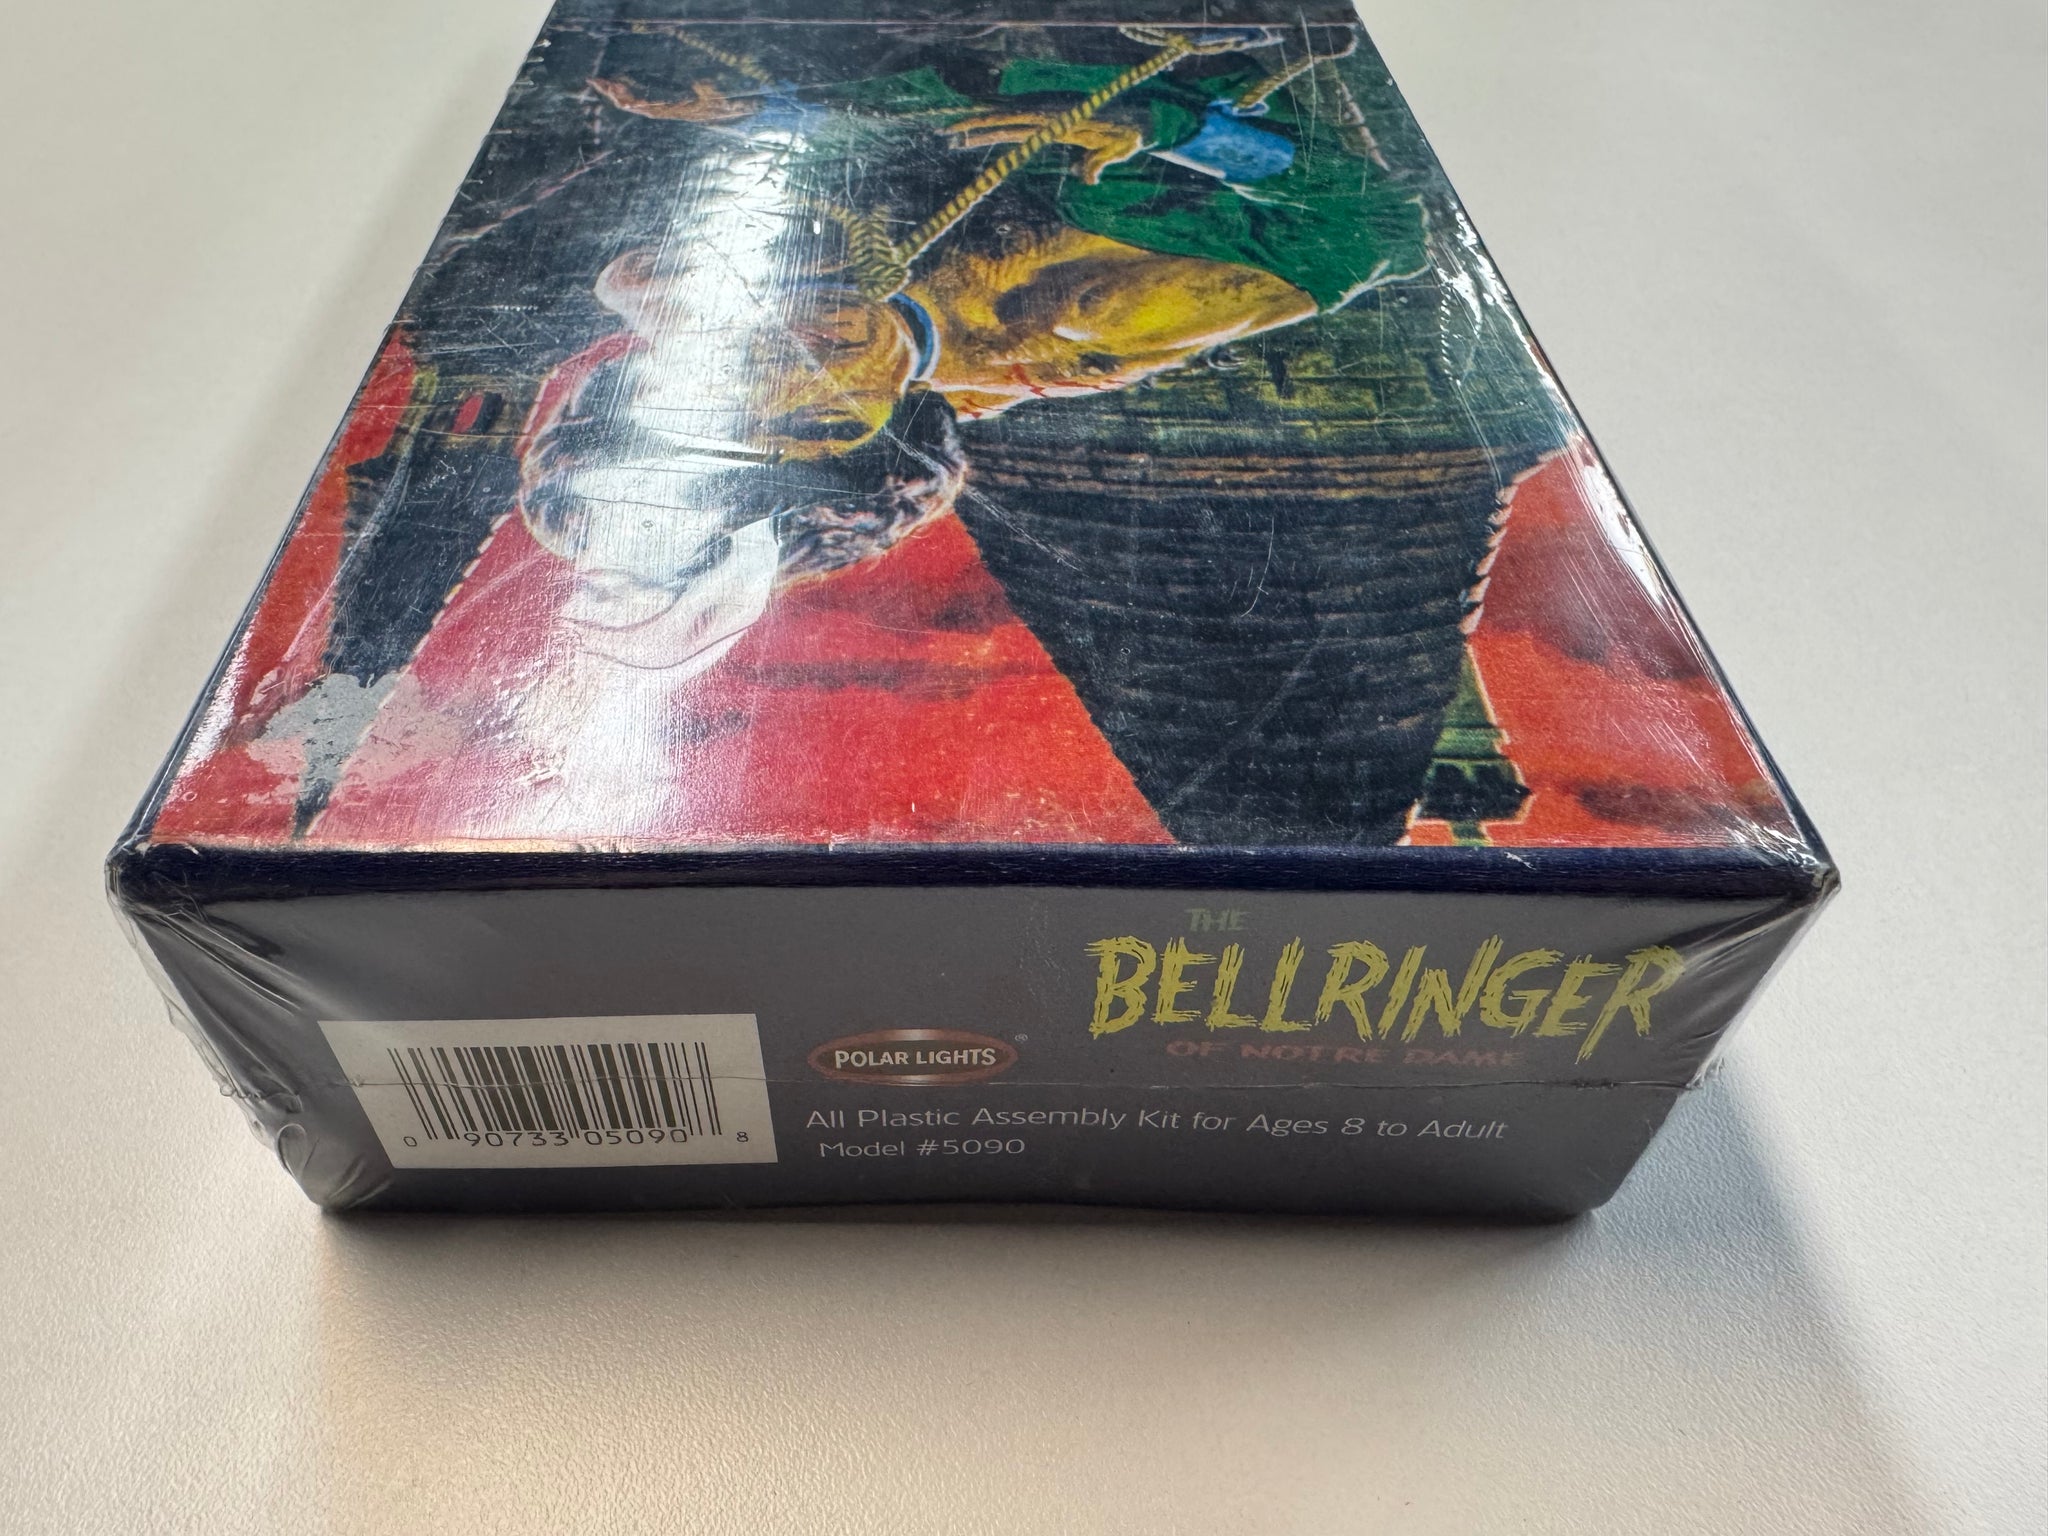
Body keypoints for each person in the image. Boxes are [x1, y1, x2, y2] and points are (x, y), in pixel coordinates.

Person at [520, 23, 1431, 675]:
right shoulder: (1082, 320)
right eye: (824, 421)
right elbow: (1380, 230)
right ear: (896, 436)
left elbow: (902, 122)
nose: (795, 369)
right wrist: (1171, 132)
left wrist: (759, 113)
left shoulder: (772, 294)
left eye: (726, 392)